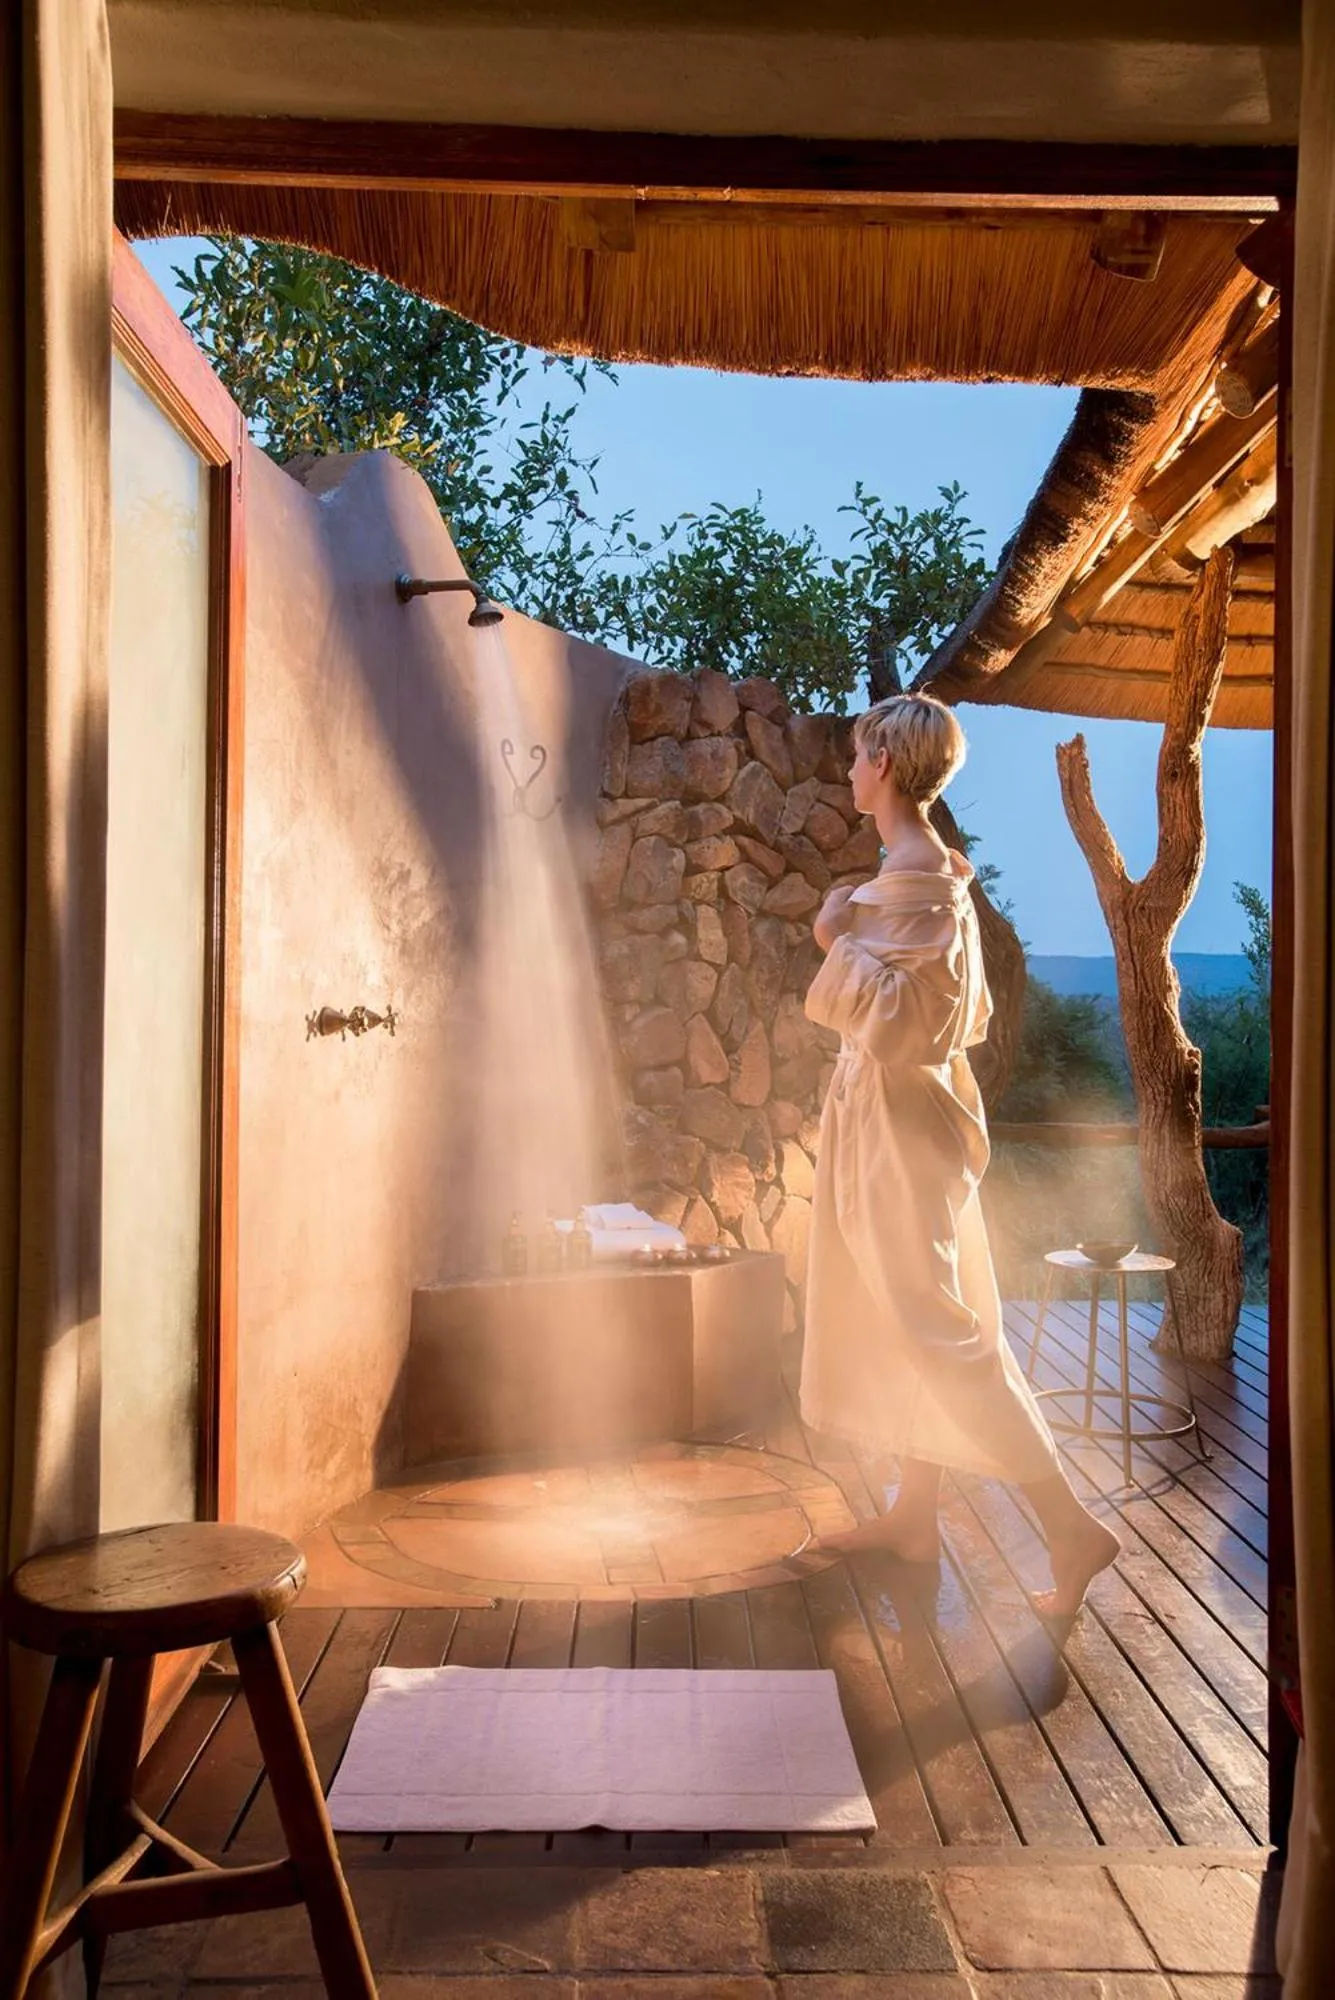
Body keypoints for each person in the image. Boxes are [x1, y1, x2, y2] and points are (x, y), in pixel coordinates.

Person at [801, 692, 1119, 1619]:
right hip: (886, 1128)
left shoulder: (923, 884)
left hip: (904, 1134)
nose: (850, 769)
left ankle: (1069, 1526)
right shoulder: (918, 875)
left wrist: (834, 944)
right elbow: (957, 1016)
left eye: (860, 755)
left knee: (942, 1332)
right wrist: (855, 938)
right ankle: (911, 1512)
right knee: (914, 1321)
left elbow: (919, 1028)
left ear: (887, 766)